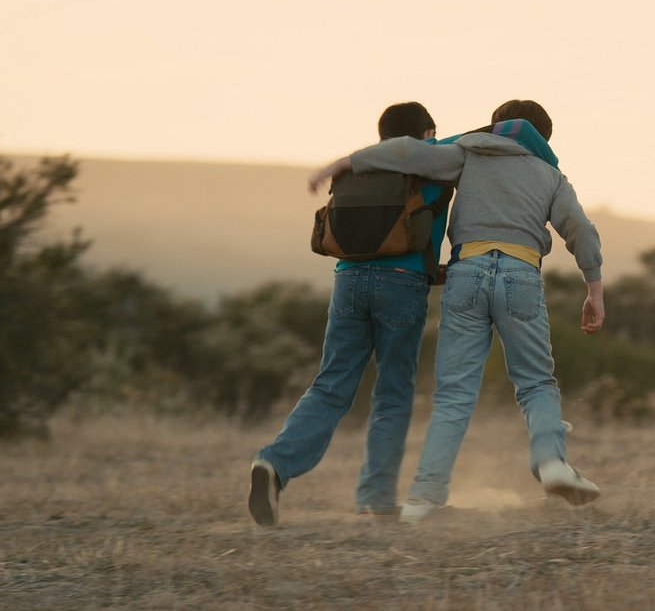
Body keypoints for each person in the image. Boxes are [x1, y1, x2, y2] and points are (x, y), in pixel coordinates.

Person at [307, 99, 605, 522]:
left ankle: (423, 499)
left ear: (496, 127)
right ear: (543, 138)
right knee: (536, 382)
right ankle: (551, 462)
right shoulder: (551, 175)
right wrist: (594, 289)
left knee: (453, 395)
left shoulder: (468, 153)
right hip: (520, 272)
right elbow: (581, 230)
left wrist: (342, 163)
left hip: (466, 273)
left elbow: (406, 151)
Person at [248, 102, 448, 527]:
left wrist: (340, 162)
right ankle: (376, 497)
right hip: (401, 282)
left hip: (349, 280)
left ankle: (274, 463)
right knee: (393, 393)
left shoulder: (356, 169)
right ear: (426, 133)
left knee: (330, 386)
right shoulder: (434, 161)